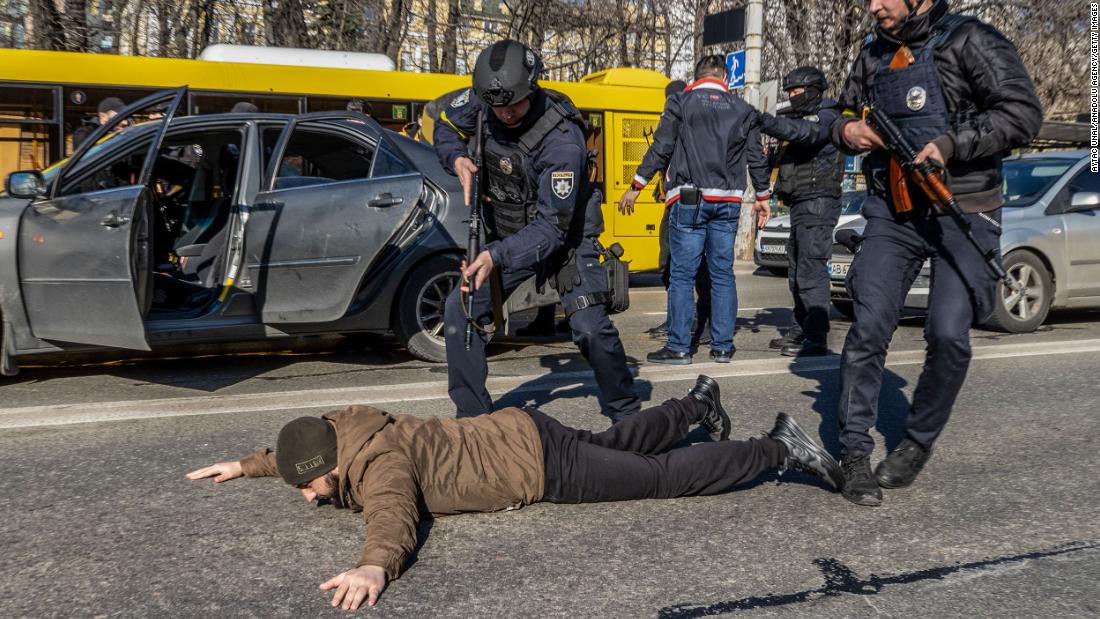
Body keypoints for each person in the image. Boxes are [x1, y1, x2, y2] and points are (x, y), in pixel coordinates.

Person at [187, 375, 844, 610]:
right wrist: (248, 465)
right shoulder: (343, 430)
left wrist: (372, 564)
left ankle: (779, 446)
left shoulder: (379, 460)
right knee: (616, 443)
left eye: (313, 487)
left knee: (659, 476)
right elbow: (298, 451)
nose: (310, 496)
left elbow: (391, 515)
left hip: (537, 465)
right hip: (519, 428)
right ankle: (695, 404)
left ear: (335, 463)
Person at [830, 0, 1042, 505]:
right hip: (893, 210)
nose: (873, 6)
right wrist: (844, 130)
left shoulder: (972, 40)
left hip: (964, 207)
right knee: (868, 328)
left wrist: (952, 144)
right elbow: (837, 110)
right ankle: (853, 453)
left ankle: (918, 440)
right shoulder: (873, 53)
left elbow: (1022, 112)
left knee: (948, 334)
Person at [434, 40, 640, 422]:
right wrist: (457, 158)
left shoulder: (562, 141)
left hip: (565, 240)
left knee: (589, 328)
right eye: (497, 106)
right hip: (507, 233)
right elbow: (444, 124)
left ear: (533, 88)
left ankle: (629, 417)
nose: (505, 113)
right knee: (459, 312)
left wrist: (495, 255)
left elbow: (552, 228)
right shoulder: (485, 100)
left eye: (514, 104)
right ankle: (474, 422)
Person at [619, 55, 772, 365]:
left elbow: (661, 146)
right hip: (728, 201)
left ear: (697, 76)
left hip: (689, 199)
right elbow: (756, 156)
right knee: (722, 275)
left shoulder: (681, 102)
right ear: (725, 79)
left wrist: (636, 186)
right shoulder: (743, 110)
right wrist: (763, 197)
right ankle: (722, 347)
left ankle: (678, 347)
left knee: (682, 275)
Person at [757, 67, 845, 358]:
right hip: (801, 203)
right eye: (790, 93)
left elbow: (806, 134)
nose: (793, 97)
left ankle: (817, 336)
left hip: (819, 202)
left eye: (797, 92)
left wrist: (764, 121)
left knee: (811, 271)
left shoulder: (828, 117)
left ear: (814, 90)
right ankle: (801, 328)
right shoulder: (798, 120)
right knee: (796, 272)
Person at [647, 78, 713, 348]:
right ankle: (677, 317)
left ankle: (705, 321)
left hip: (693, 200)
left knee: (696, 267)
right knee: (669, 264)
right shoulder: (673, 120)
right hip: (672, 201)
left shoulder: (695, 124)